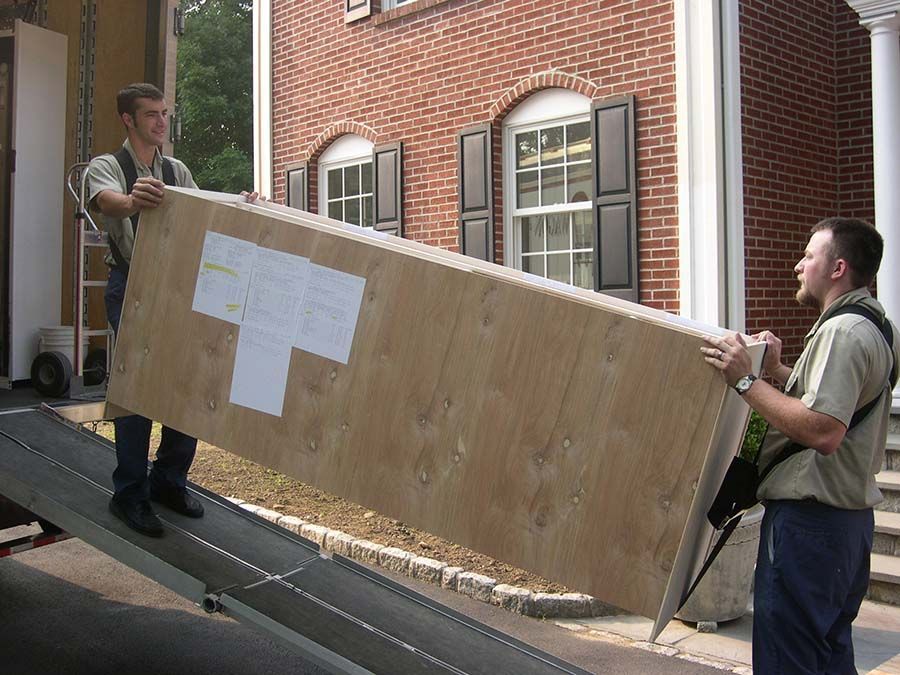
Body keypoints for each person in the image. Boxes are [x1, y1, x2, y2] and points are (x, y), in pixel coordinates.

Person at [701, 218, 898, 673]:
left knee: (788, 661)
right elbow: (843, 404)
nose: (798, 265)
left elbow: (825, 431)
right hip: (845, 528)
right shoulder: (878, 326)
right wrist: (779, 370)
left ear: (837, 268)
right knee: (827, 657)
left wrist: (746, 380)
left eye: (809, 256)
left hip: (811, 528)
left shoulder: (842, 333)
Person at [87, 83, 258, 537]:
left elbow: (207, 216)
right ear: (128, 119)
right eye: (151, 115)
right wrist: (131, 200)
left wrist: (242, 207)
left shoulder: (177, 170)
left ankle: (168, 480)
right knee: (137, 391)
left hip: (179, 289)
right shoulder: (108, 166)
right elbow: (108, 201)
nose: (162, 122)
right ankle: (129, 494)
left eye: (165, 113)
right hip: (132, 285)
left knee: (186, 384)